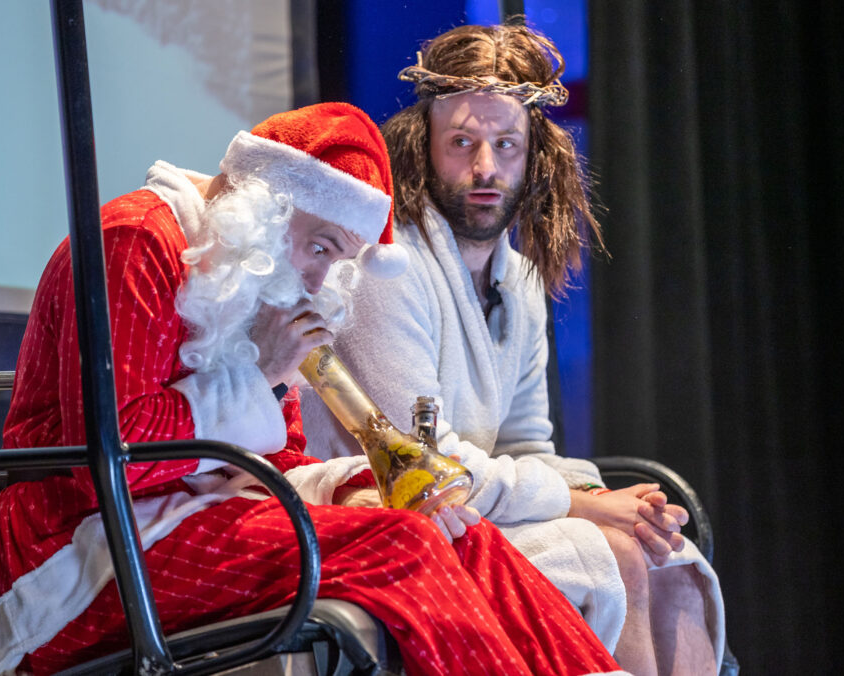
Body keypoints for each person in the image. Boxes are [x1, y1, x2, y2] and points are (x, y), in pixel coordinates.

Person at [0, 102, 630, 676]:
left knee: (454, 530)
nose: (321, 280)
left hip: (190, 525)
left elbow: (284, 463)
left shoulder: (248, 272)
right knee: (401, 546)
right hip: (83, 555)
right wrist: (261, 374)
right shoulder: (133, 243)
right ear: (268, 206)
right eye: (321, 248)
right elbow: (110, 460)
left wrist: (355, 492)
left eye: (338, 259)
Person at [298, 24, 726, 676]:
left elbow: (526, 446)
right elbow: (420, 462)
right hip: (391, 516)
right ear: (422, 146)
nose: (485, 168)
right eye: (462, 143)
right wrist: (585, 503)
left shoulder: (520, 281)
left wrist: (615, 500)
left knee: (666, 553)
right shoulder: (388, 269)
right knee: (613, 554)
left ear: (536, 156)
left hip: (478, 505)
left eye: (506, 145)